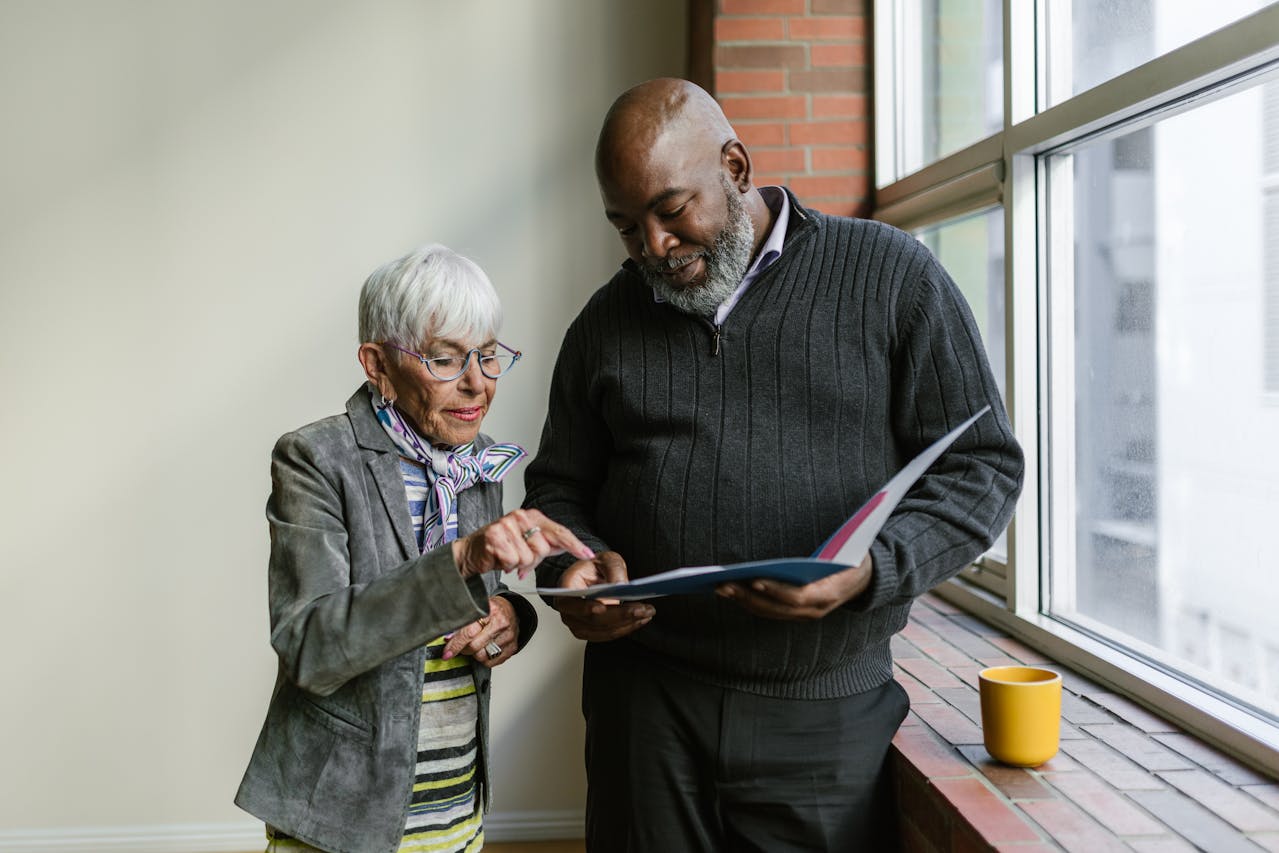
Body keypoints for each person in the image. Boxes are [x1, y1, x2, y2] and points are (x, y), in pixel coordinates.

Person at [523, 78, 1025, 851]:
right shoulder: (605, 321)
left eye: (670, 209)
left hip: (821, 716)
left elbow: (981, 467)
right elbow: (557, 488)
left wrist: (872, 571)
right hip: (643, 709)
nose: (652, 247)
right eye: (625, 226)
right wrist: (568, 571)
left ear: (734, 163)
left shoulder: (891, 277)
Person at [235, 244, 594, 853]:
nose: (476, 384)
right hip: (341, 825)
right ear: (376, 363)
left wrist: (515, 616)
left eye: (486, 355)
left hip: (456, 813)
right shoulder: (316, 460)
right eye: (444, 359)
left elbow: (486, 600)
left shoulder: (479, 464)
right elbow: (311, 647)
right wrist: (461, 560)